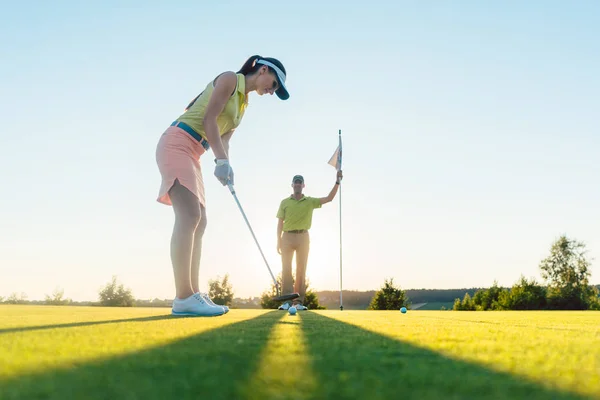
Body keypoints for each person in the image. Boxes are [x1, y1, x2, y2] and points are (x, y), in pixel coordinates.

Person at [155, 55, 290, 316]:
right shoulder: (230, 79)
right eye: (273, 85)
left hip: (194, 153)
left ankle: (192, 294)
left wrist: (227, 166)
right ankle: (183, 297)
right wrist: (220, 160)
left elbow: (224, 140)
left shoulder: (243, 105)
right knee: (190, 215)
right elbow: (208, 120)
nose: (272, 92)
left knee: (200, 220)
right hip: (177, 143)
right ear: (263, 70)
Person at [276, 170, 343, 310]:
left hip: (303, 237)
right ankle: (287, 302)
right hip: (287, 237)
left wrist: (337, 182)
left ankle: (298, 302)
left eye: (300, 183)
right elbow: (280, 223)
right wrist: (278, 240)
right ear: (292, 185)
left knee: (301, 269)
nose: (298, 185)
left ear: (303, 185)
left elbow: (329, 198)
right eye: (296, 183)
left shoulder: (310, 201)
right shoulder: (285, 202)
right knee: (286, 269)